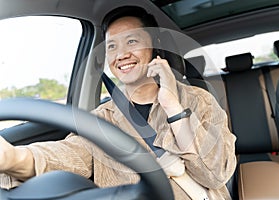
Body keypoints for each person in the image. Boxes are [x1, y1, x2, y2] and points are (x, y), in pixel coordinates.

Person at [0, 6, 236, 199]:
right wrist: (12, 158)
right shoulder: (102, 118)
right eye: (112, 45)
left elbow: (214, 174)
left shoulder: (198, 100)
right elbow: (68, 154)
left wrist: (173, 107)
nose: (121, 54)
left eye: (131, 41)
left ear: (154, 47)